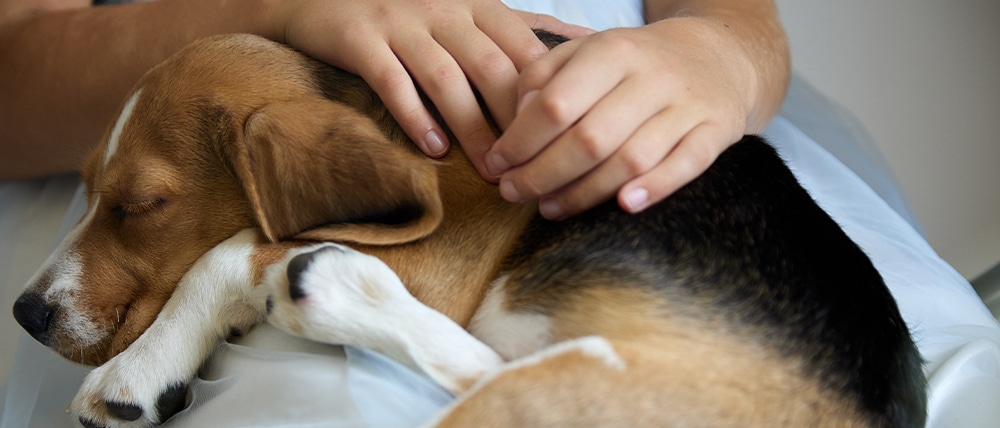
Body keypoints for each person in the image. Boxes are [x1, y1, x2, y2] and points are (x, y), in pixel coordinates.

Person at [0, 0, 789, 219]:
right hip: (272, 210)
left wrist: (721, 54)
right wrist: (276, 11)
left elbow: (742, 20)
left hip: (671, 161)